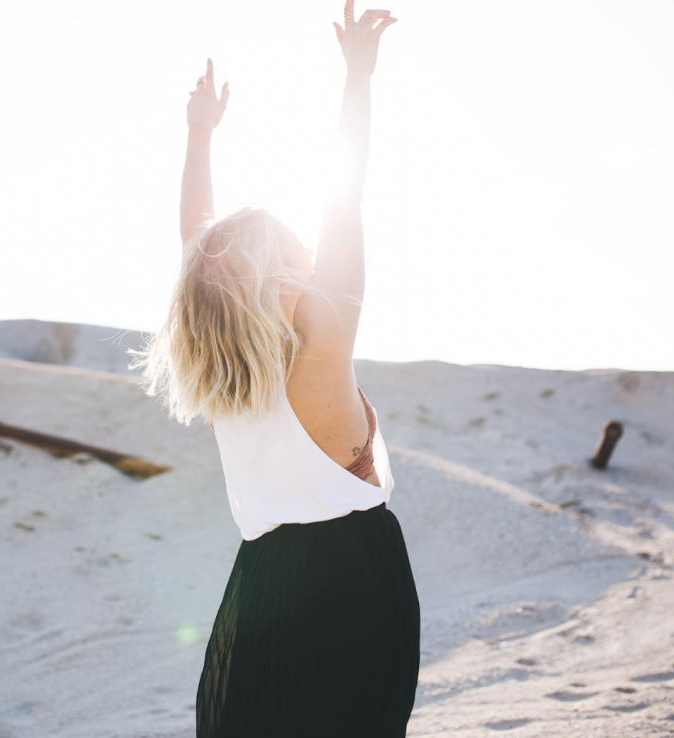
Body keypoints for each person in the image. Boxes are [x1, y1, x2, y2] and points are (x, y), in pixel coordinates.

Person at [128, 3, 417, 735]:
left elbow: (197, 240)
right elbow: (345, 197)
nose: (312, 257)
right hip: (353, 581)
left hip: (259, 587)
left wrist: (199, 136)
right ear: (279, 270)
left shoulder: (229, 377)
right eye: (297, 248)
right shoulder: (322, 337)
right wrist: (358, 78)